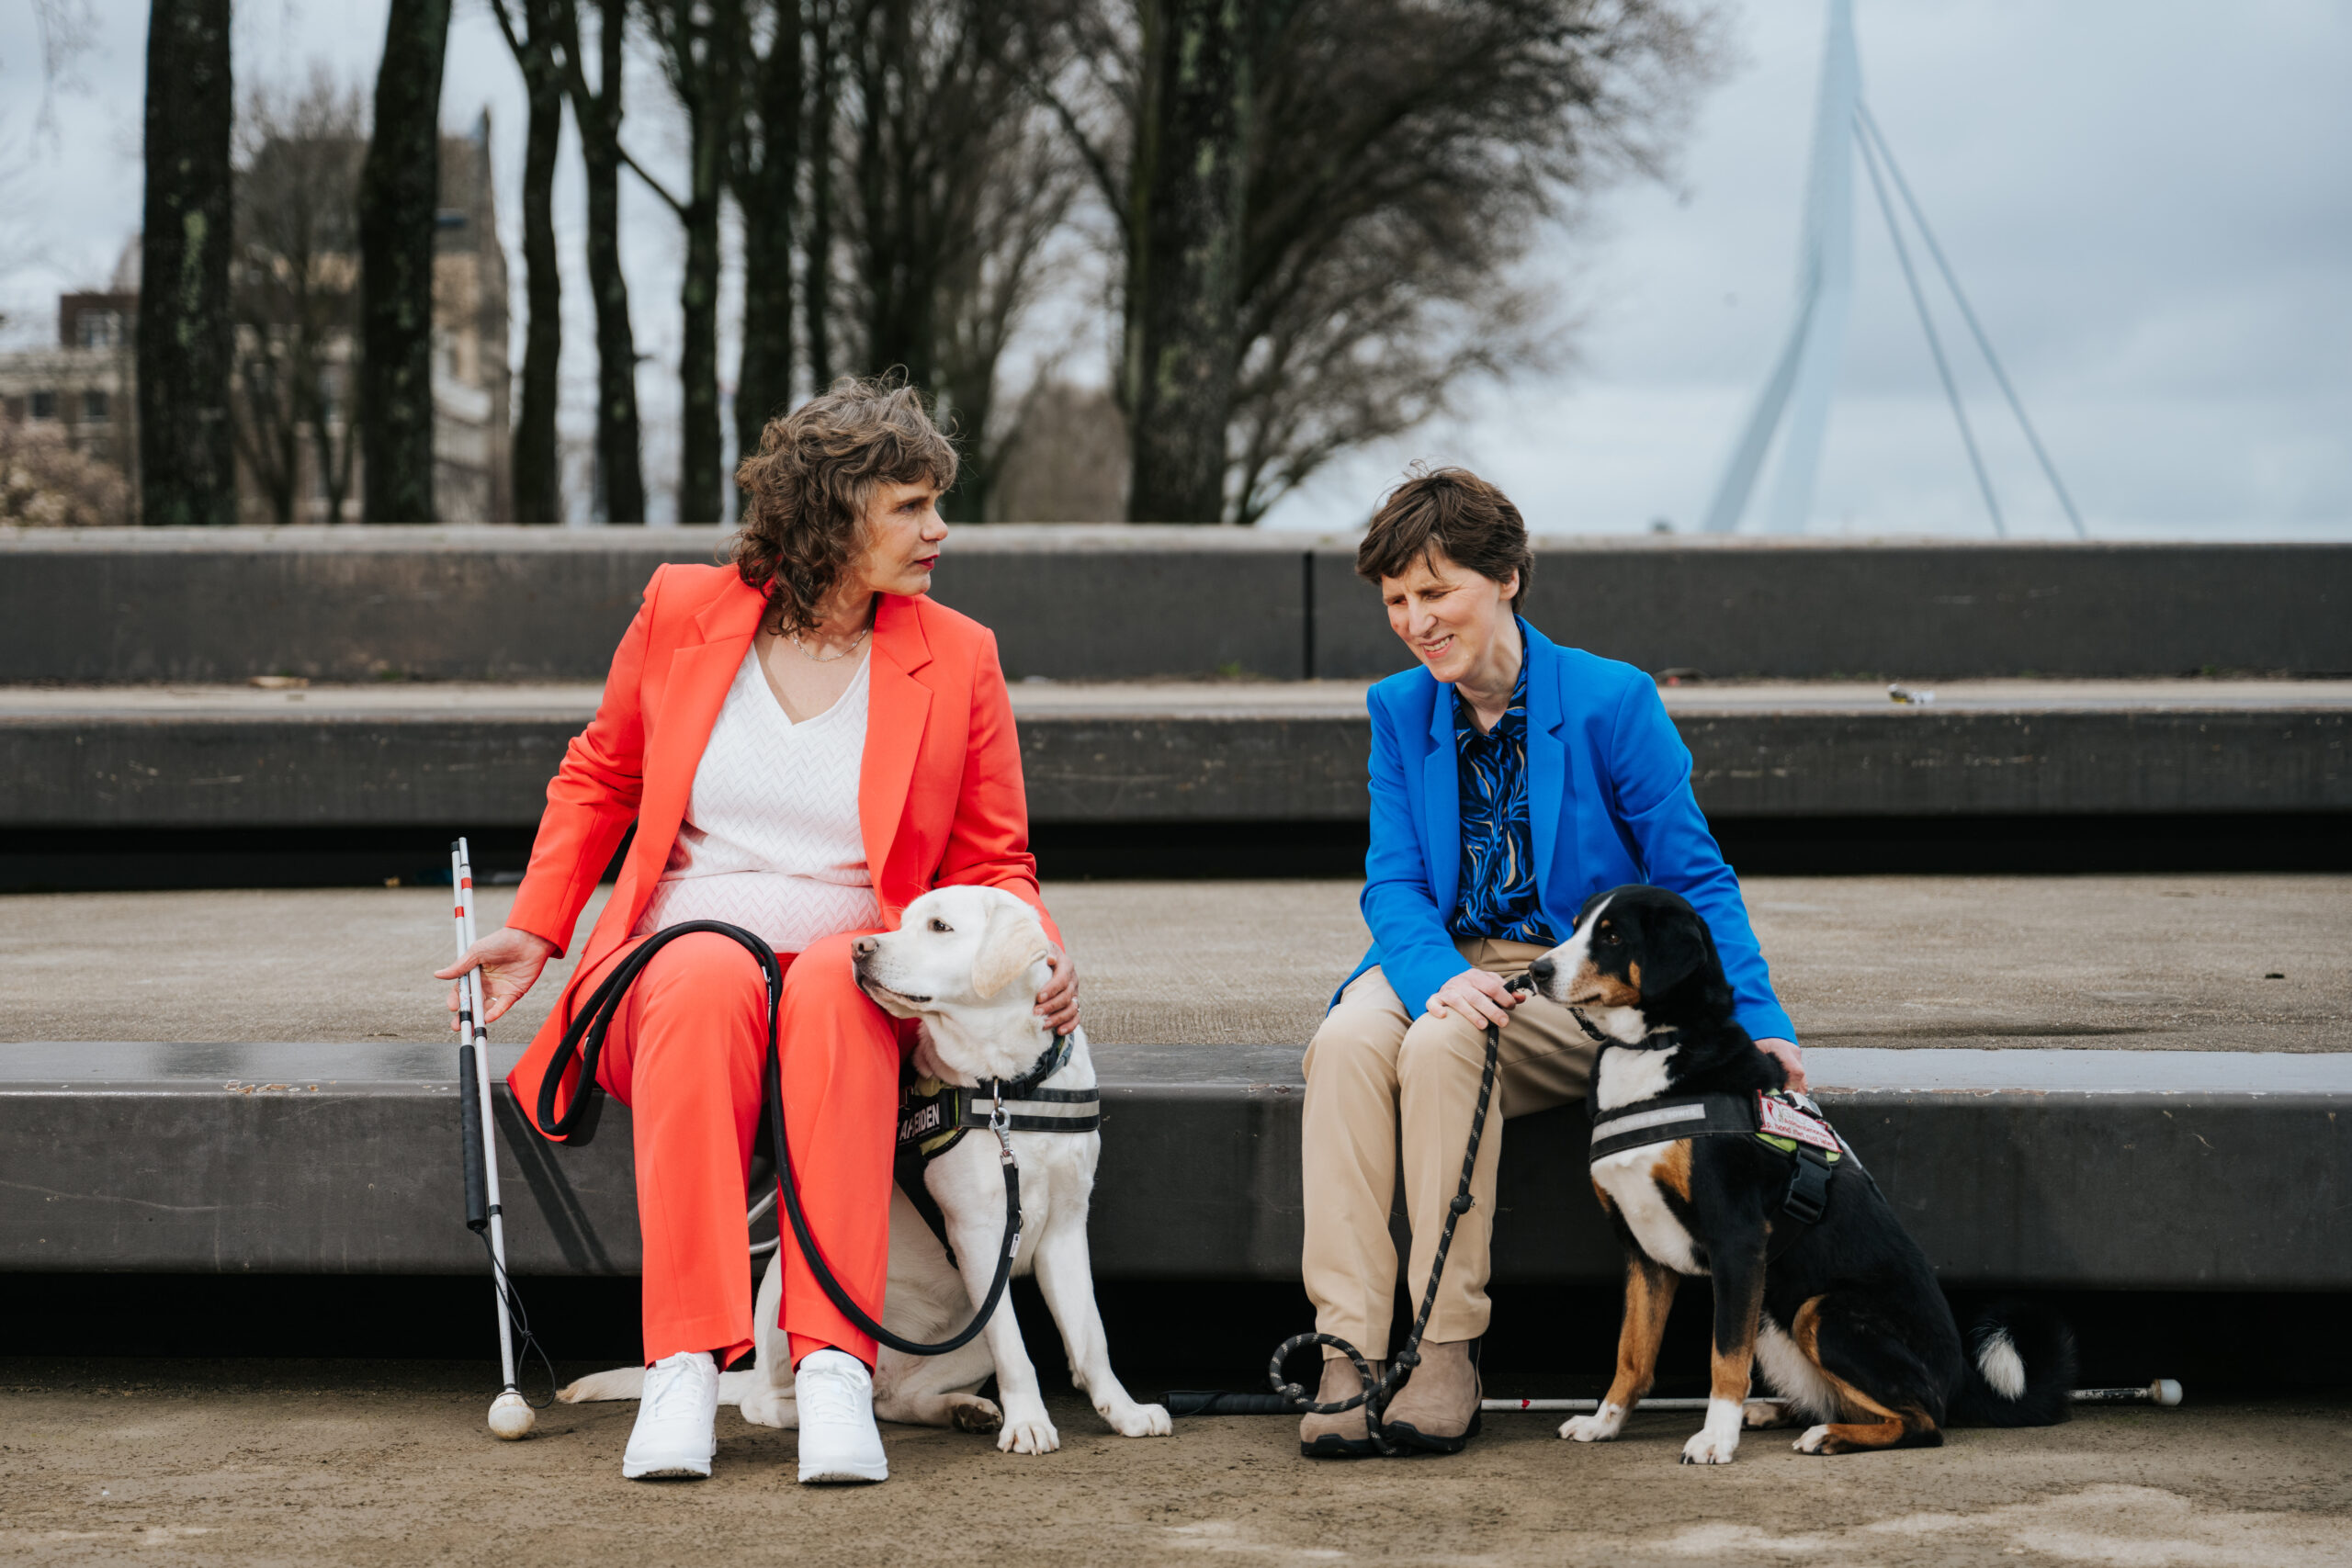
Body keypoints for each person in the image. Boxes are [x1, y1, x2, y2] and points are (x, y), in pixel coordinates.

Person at [435, 379, 1078, 1485]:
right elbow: (603, 774)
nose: (939, 532)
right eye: (913, 507)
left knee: (833, 982)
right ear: (833, 514)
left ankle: (831, 1367)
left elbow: (991, 857)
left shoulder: (957, 653)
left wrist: (1038, 958)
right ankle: (684, 1359)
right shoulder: (684, 609)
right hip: (678, 975)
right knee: (700, 971)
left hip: (856, 983)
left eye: (938, 505)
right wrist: (538, 928)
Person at [1297, 467, 1802, 1458]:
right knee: (1349, 1042)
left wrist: (1761, 1023)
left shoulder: (1613, 702)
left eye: (1436, 592)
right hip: (1445, 956)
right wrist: (1437, 972)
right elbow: (1393, 883)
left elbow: (1694, 878)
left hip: (1574, 980)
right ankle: (1346, 1351)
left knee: (1447, 1049)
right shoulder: (1400, 710)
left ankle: (1444, 1348)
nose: (1414, 620)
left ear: (1508, 577)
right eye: (1397, 599)